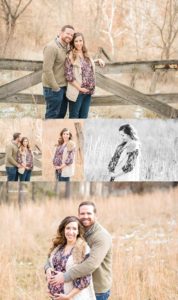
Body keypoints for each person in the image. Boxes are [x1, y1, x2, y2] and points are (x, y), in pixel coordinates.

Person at [45, 201, 112, 300]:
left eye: (89, 213)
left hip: (97, 290)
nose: (85, 216)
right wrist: (47, 268)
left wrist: (64, 277)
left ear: (95, 215)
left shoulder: (102, 237)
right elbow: (53, 255)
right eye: (82, 213)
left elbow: (91, 264)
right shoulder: (76, 230)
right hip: (74, 289)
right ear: (78, 215)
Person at [46, 216, 96, 300]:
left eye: (74, 229)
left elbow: (85, 278)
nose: (70, 232)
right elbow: (50, 265)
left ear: (78, 231)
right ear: (63, 230)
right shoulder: (59, 247)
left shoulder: (83, 249)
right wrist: (48, 284)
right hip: (57, 297)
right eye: (68, 228)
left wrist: (68, 296)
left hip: (74, 297)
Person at [64, 32, 104, 118]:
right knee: (74, 117)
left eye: (80, 41)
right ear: (73, 43)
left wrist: (98, 60)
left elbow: (86, 64)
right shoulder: (70, 55)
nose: (79, 43)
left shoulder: (85, 53)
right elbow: (68, 76)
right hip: (77, 92)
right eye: (76, 41)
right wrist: (80, 88)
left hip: (88, 91)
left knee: (84, 117)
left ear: (83, 41)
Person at [42, 25, 75, 119]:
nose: (69, 36)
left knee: (61, 116)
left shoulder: (66, 47)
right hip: (53, 89)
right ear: (61, 32)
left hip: (64, 88)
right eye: (67, 33)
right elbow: (47, 69)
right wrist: (56, 88)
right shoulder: (51, 47)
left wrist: (96, 61)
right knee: (52, 116)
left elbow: (80, 58)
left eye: (72, 35)